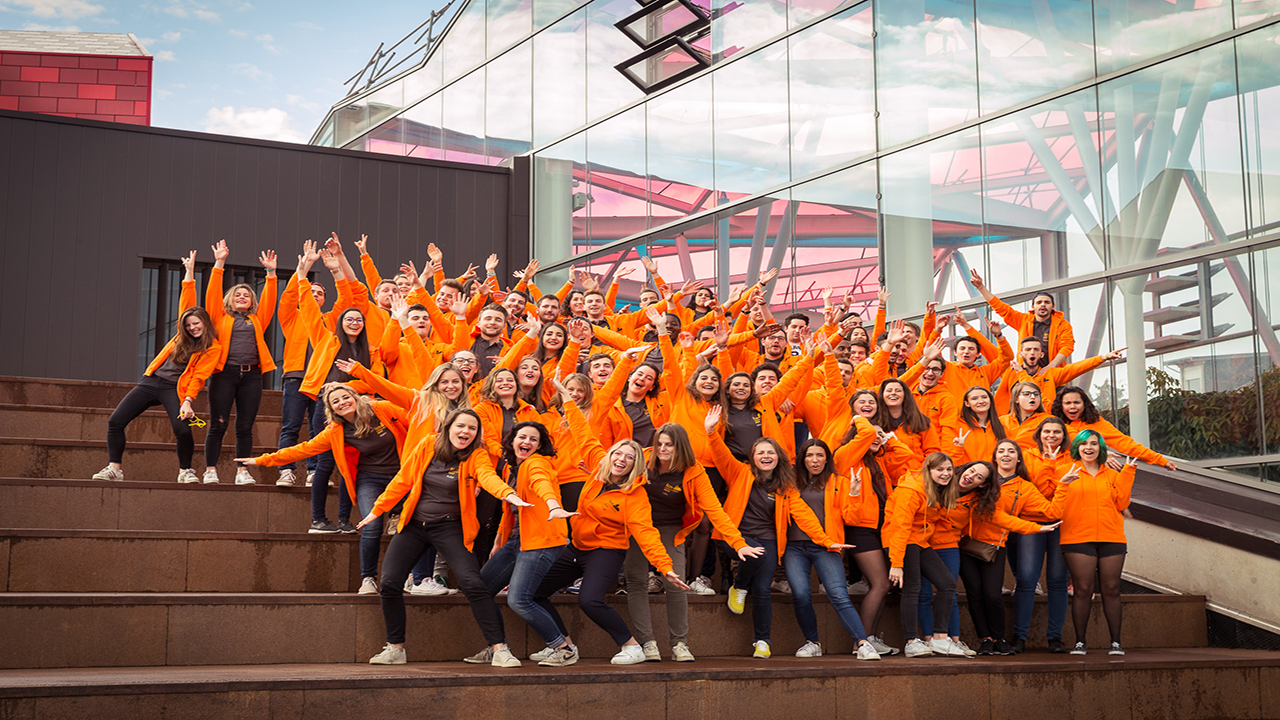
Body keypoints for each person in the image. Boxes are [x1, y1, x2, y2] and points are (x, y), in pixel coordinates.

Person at [357, 409, 534, 667]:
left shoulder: (476, 455)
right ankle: (395, 648)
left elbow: (488, 477)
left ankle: (499, 649)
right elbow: (403, 480)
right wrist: (377, 510)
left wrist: (508, 494)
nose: (466, 432)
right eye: (461, 426)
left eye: (472, 428)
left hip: (450, 527)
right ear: (448, 427)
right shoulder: (427, 444)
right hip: (415, 525)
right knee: (390, 582)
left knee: (473, 583)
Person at [532, 397, 690, 666]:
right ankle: (564, 646)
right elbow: (583, 433)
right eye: (618, 453)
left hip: (606, 550)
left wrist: (665, 567)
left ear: (635, 465)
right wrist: (567, 399)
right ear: (610, 455)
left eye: (630, 458)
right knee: (534, 592)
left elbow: (646, 533)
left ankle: (631, 646)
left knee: (590, 600)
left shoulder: (635, 496)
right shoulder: (597, 469)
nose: (621, 459)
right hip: (577, 546)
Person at [701, 405, 850, 659]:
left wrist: (826, 540)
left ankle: (762, 641)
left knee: (762, 589)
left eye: (770, 452)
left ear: (779, 457)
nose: (766, 456)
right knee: (754, 555)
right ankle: (739, 586)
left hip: (768, 538)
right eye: (760, 452)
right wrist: (711, 432)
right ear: (753, 457)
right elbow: (721, 454)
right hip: (734, 535)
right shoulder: (739, 472)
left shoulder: (785, 485)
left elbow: (803, 514)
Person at [238, 385, 408, 593]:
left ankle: (413, 576)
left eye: (345, 397)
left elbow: (415, 420)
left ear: (355, 397)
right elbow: (304, 449)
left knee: (413, 523)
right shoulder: (335, 431)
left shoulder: (381, 409)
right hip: (370, 478)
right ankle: (368, 579)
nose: (342, 403)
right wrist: (261, 460)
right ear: (331, 409)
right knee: (371, 525)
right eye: (335, 401)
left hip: (404, 474)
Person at [94, 251, 220, 484]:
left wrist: (188, 401)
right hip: (151, 381)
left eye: (196, 323)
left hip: (174, 388)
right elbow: (187, 300)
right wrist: (189, 272)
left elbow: (200, 376)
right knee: (115, 421)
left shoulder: (212, 347)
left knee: (183, 430)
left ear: (205, 322)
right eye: (188, 325)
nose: (192, 328)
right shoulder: (180, 336)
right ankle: (114, 469)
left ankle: (186, 471)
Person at [468, 420, 579, 665]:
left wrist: (553, 505)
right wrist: (499, 541)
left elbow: (542, 483)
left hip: (541, 540)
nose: (527, 442)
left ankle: (563, 649)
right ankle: (497, 648)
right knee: (480, 589)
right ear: (512, 441)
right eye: (522, 437)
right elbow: (508, 511)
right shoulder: (511, 468)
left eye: (533, 439)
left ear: (539, 446)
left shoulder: (536, 463)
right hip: (518, 539)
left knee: (519, 599)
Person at [786, 434, 882, 661]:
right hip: (794, 547)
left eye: (820, 455)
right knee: (800, 594)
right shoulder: (790, 481)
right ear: (802, 458)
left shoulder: (838, 480)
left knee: (839, 595)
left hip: (828, 546)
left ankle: (862, 643)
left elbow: (851, 517)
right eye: (810, 455)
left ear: (827, 459)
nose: (815, 460)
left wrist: (855, 493)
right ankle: (812, 642)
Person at [959, 447, 1059, 655]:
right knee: (974, 594)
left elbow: (1046, 512)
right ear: (994, 456)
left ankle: (999, 638)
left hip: (994, 546)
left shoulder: (1024, 486)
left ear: (1019, 458)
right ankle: (986, 639)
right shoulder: (982, 480)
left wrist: (1037, 527)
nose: (1006, 454)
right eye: (1001, 451)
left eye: (1011, 451)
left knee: (992, 594)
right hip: (965, 544)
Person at [1051, 431, 1139, 656]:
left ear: (1101, 448)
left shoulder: (1112, 473)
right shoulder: (1064, 470)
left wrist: (1128, 472)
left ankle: (1116, 643)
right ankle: (1080, 642)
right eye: (1083, 444)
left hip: (1112, 537)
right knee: (1083, 589)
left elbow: (1122, 503)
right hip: (1077, 537)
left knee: (1112, 588)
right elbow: (1054, 503)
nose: (1088, 447)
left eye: (1093, 443)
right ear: (1077, 448)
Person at [201, 239, 277, 485]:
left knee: (245, 427)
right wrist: (219, 263)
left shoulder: (257, 319)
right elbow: (212, 293)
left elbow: (269, 300)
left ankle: (242, 471)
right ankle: (210, 470)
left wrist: (271, 273)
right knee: (218, 425)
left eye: (246, 295)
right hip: (224, 374)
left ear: (252, 301)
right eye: (238, 295)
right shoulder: (219, 316)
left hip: (251, 377)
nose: (242, 297)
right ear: (230, 300)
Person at [1012, 416, 1073, 653]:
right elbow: (1038, 489)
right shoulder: (1026, 456)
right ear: (1038, 434)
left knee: (1057, 581)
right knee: (1027, 579)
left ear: (1064, 436)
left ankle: (1055, 637)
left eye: (1057, 432)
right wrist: (1049, 463)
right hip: (1032, 521)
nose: (1051, 436)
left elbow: (1065, 490)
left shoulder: (1072, 458)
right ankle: (1019, 637)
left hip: (1062, 523)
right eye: (1047, 431)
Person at [969, 269, 1075, 369]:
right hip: (1026, 374)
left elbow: (1067, 346)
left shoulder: (1062, 324)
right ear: (1032, 307)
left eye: (1047, 302)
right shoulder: (1023, 320)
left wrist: (1051, 366)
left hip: (1052, 374)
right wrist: (981, 288)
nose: (1043, 304)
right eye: (1039, 302)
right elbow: (1001, 308)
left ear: (1053, 307)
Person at [1051, 387, 1178, 470]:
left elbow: (1125, 443)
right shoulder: (1051, 421)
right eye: (1067, 403)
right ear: (1060, 405)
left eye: (1076, 402)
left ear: (1085, 404)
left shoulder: (1097, 423)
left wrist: (1160, 460)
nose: (1072, 407)